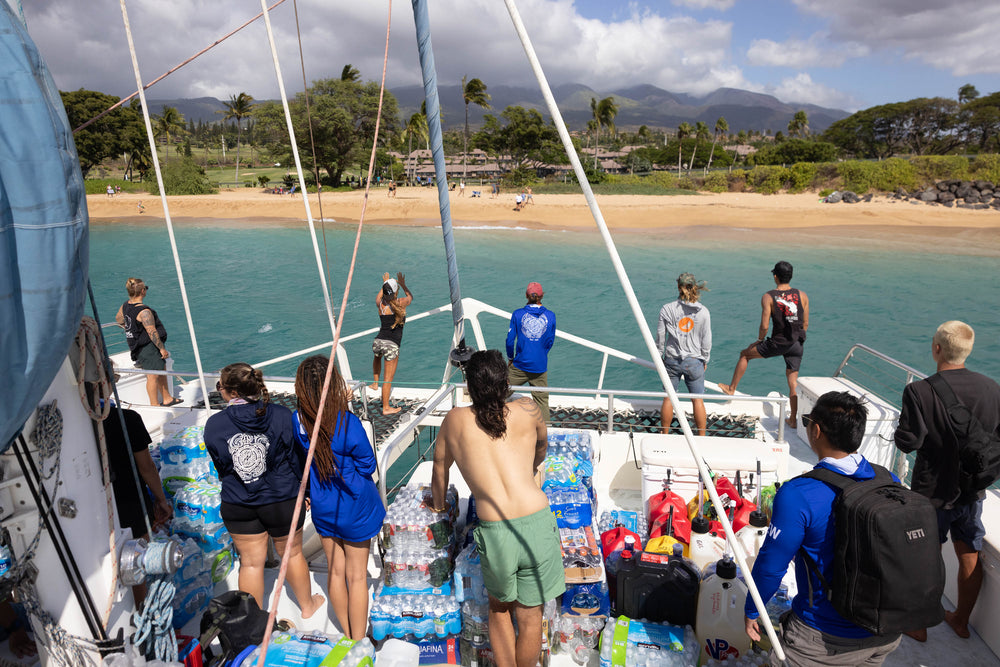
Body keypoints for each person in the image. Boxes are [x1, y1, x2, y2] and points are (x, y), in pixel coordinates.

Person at [745, 391, 902, 666]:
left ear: (816, 430)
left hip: (822, 639)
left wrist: (751, 609)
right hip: (885, 630)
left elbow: (771, 567)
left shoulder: (798, 494)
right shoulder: (889, 479)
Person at [431, 350, 564, 667]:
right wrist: (527, 470)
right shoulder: (529, 408)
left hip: (497, 531)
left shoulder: (455, 420)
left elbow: (439, 469)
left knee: (500, 609)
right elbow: (541, 449)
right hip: (537, 522)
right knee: (531, 616)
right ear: (506, 384)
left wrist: (438, 504)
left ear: (470, 388)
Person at [894, 320, 1000, 641]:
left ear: (937, 348)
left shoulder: (919, 390)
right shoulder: (992, 388)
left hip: (932, 491)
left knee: (924, 554)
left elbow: (908, 442)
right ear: (967, 350)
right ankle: (960, 620)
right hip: (972, 490)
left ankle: (917, 625)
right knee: (968, 550)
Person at [204, 363, 325, 618]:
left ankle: (253, 621)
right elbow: (297, 459)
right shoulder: (282, 415)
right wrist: (306, 493)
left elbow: (222, 467)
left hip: (238, 502)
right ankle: (307, 606)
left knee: (249, 563)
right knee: (292, 555)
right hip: (282, 499)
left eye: (220, 387)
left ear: (230, 392)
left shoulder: (214, 425)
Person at [293, 355, 385, 640]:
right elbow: (368, 465)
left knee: (336, 572)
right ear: (333, 387)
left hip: (324, 506)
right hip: (355, 507)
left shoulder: (298, 422)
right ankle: (359, 640)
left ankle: (346, 632)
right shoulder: (347, 423)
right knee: (357, 576)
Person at [718, 261, 808, 428]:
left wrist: (759, 340)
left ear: (775, 276)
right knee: (793, 382)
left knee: (745, 354)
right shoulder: (802, 295)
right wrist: (798, 339)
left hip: (778, 342)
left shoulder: (768, 297)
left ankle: (731, 388)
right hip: (796, 344)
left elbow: (765, 326)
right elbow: (805, 323)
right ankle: (793, 420)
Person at [101, 402, 173, 606]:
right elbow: (147, 467)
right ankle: (142, 613)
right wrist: (161, 500)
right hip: (130, 499)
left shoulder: (78, 426)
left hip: (98, 506)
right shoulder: (128, 419)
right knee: (137, 560)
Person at [657, 272, 712, 436]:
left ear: (678, 287)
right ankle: (701, 436)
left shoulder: (667, 309)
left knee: (668, 398)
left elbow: (660, 337)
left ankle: (664, 434)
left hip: (672, 361)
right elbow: (706, 339)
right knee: (697, 399)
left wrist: (660, 356)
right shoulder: (703, 311)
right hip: (694, 362)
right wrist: (705, 359)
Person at [115, 278, 182, 407]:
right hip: (148, 347)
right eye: (146, 288)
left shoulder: (126, 305)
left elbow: (119, 319)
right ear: (142, 291)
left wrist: (129, 326)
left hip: (138, 345)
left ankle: (167, 398)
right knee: (152, 376)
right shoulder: (144, 311)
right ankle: (154, 405)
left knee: (161, 369)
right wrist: (162, 348)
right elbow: (152, 331)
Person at [506, 282, 556, 422]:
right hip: (540, 366)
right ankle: (545, 432)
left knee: (499, 393)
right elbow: (550, 341)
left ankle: (493, 424)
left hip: (520, 365)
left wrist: (511, 358)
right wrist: (541, 354)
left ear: (526, 296)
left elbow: (510, 340)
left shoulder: (518, 314)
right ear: (542, 296)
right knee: (542, 402)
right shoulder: (551, 316)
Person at [370, 272, 414, 415]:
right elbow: (410, 297)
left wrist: (385, 283)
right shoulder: (400, 303)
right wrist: (402, 283)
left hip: (378, 341)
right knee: (388, 379)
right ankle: (386, 407)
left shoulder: (380, 304)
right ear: (395, 292)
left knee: (377, 357)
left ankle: (375, 383)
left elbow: (381, 295)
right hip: (391, 344)